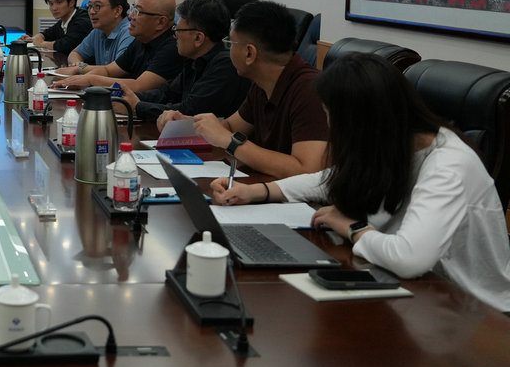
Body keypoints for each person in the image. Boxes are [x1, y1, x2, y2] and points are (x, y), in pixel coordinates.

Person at [211, 53, 510, 312]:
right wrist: (259, 191)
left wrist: (352, 227)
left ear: (362, 121)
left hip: (470, 310)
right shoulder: (396, 141)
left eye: (332, 117)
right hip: (412, 292)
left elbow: (409, 259)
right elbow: (330, 179)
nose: (330, 127)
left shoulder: (449, 165)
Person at [191, 0, 327, 177]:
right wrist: (187, 124)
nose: (228, 50)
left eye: (230, 44)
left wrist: (231, 142)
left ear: (249, 53)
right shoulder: (263, 82)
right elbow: (231, 127)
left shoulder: (310, 89)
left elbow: (307, 170)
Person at [121, 0, 249, 125]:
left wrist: (137, 106)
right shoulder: (193, 60)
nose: (175, 36)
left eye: (178, 30)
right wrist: (127, 98)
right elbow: (167, 93)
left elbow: (190, 110)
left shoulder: (225, 65)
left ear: (198, 38)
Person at [52, 0, 180, 94]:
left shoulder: (172, 47)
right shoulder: (141, 40)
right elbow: (108, 70)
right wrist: (80, 77)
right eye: (133, 9)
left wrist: (91, 80)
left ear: (161, 22)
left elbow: (139, 86)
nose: (131, 16)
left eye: (138, 12)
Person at [64, 0, 135, 68]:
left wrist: (81, 69)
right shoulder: (98, 31)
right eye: (90, 6)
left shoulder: (129, 32)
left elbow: (116, 70)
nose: (91, 12)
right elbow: (75, 53)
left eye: (97, 6)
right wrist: (77, 64)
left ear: (117, 11)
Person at [22, 0, 91, 55]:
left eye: (59, 2)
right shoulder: (63, 21)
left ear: (71, 2)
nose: (54, 8)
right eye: (51, 4)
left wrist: (41, 44)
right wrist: (34, 38)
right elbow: (48, 33)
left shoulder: (82, 21)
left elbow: (66, 45)